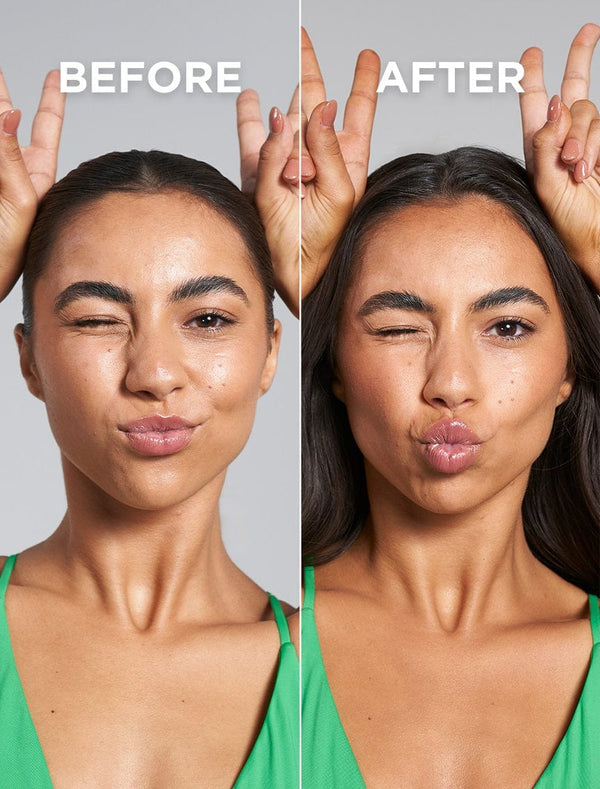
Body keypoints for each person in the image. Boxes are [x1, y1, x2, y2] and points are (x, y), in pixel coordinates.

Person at [301, 25, 600, 788]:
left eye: (508, 327)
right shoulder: (246, 640)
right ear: (335, 365)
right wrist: (282, 271)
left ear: (570, 367)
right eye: (400, 328)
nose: (452, 382)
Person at [0, 71, 299, 786]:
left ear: (271, 353)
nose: (155, 373)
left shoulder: (351, 664)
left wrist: (323, 281)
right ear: (29, 359)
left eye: (208, 319)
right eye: (98, 320)